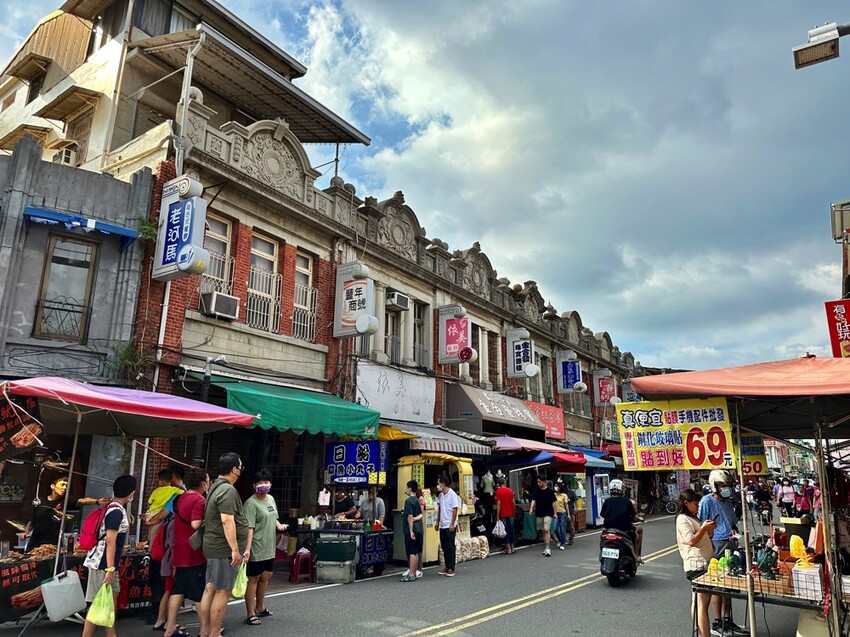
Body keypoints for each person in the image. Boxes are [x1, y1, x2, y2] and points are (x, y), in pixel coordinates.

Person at [199, 453, 249, 637]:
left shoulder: (215, 486)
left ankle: (205, 631)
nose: (241, 471)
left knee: (210, 588)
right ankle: (214, 633)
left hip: (213, 545)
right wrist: (235, 549)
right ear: (234, 470)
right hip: (223, 548)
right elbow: (227, 521)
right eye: (240, 467)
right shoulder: (227, 490)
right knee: (222, 591)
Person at [81, 474, 136, 637]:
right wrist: (110, 568)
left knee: (110, 599)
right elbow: (110, 541)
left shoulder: (113, 508)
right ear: (131, 493)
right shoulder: (116, 512)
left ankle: (111, 634)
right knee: (99, 602)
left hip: (105, 562)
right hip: (103, 563)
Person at [698, 470, 746, 637]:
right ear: (714, 486)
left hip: (730, 542)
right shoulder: (707, 501)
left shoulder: (728, 502)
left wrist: (734, 530)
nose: (726, 488)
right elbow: (702, 525)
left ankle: (727, 619)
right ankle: (718, 622)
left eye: (728, 485)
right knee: (718, 584)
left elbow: (732, 522)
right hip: (717, 545)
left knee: (729, 584)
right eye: (723, 485)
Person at [164, 468, 209, 637]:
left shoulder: (180, 497)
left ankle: (170, 628)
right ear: (203, 484)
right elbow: (195, 524)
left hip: (180, 548)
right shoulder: (199, 500)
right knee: (199, 593)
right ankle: (205, 630)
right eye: (208, 481)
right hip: (194, 550)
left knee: (178, 589)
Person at [243, 468, 287, 625]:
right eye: (260, 483)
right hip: (256, 546)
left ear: (271, 484)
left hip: (269, 546)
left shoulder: (271, 499)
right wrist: (247, 549)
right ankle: (250, 613)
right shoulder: (250, 504)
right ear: (254, 485)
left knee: (266, 576)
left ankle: (260, 607)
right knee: (253, 578)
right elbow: (249, 528)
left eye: (266, 482)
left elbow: (274, 517)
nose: (263, 485)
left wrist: (279, 526)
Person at [27, 474, 109, 551]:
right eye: (62, 485)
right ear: (53, 486)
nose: (64, 488)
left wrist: (97, 501)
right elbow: (32, 520)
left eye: (66, 485)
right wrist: (26, 532)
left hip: (52, 544)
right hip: (35, 541)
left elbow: (83, 501)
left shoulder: (66, 501)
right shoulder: (40, 501)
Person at [676, 489, 717, 637]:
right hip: (697, 565)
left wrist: (709, 529)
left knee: (698, 603)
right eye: (695, 503)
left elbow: (703, 537)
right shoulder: (683, 519)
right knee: (702, 605)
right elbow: (691, 541)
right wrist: (704, 527)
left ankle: (700, 633)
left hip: (703, 563)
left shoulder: (693, 518)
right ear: (686, 503)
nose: (698, 506)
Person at [600, 479, 644, 561]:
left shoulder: (607, 501)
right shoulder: (627, 502)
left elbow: (602, 515)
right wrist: (640, 519)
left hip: (609, 530)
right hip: (624, 530)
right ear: (622, 489)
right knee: (639, 531)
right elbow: (634, 517)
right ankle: (636, 555)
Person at [434, 473, 459, 577]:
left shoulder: (452, 494)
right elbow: (440, 509)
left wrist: (452, 523)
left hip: (450, 524)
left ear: (443, 484)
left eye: (439, 483)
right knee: (444, 546)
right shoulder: (441, 495)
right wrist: (437, 521)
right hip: (443, 524)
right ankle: (447, 565)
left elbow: (455, 509)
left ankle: (451, 567)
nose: (438, 485)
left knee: (450, 546)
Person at [400, 480, 424, 582]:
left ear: (409, 489)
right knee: (416, 552)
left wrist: (410, 531)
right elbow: (421, 514)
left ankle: (411, 574)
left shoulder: (408, 501)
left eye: (407, 488)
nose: (406, 490)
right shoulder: (417, 500)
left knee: (412, 552)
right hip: (419, 528)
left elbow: (409, 516)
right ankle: (414, 572)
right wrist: (415, 519)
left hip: (412, 529)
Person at [494, 476, 516, 555]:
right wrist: (513, 512)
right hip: (510, 513)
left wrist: (497, 514)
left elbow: (498, 503)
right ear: (505, 483)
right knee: (511, 529)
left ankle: (508, 548)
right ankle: (512, 547)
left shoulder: (498, 492)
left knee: (505, 530)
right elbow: (513, 502)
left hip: (503, 513)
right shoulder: (510, 490)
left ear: (499, 484)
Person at [553, 484, 569, 550]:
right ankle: (560, 539)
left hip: (563, 513)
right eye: (555, 486)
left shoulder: (564, 495)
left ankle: (562, 544)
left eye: (557, 486)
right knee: (555, 529)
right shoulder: (554, 495)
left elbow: (566, 505)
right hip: (556, 513)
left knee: (562, 529)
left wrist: (568, 514)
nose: (555, 487)